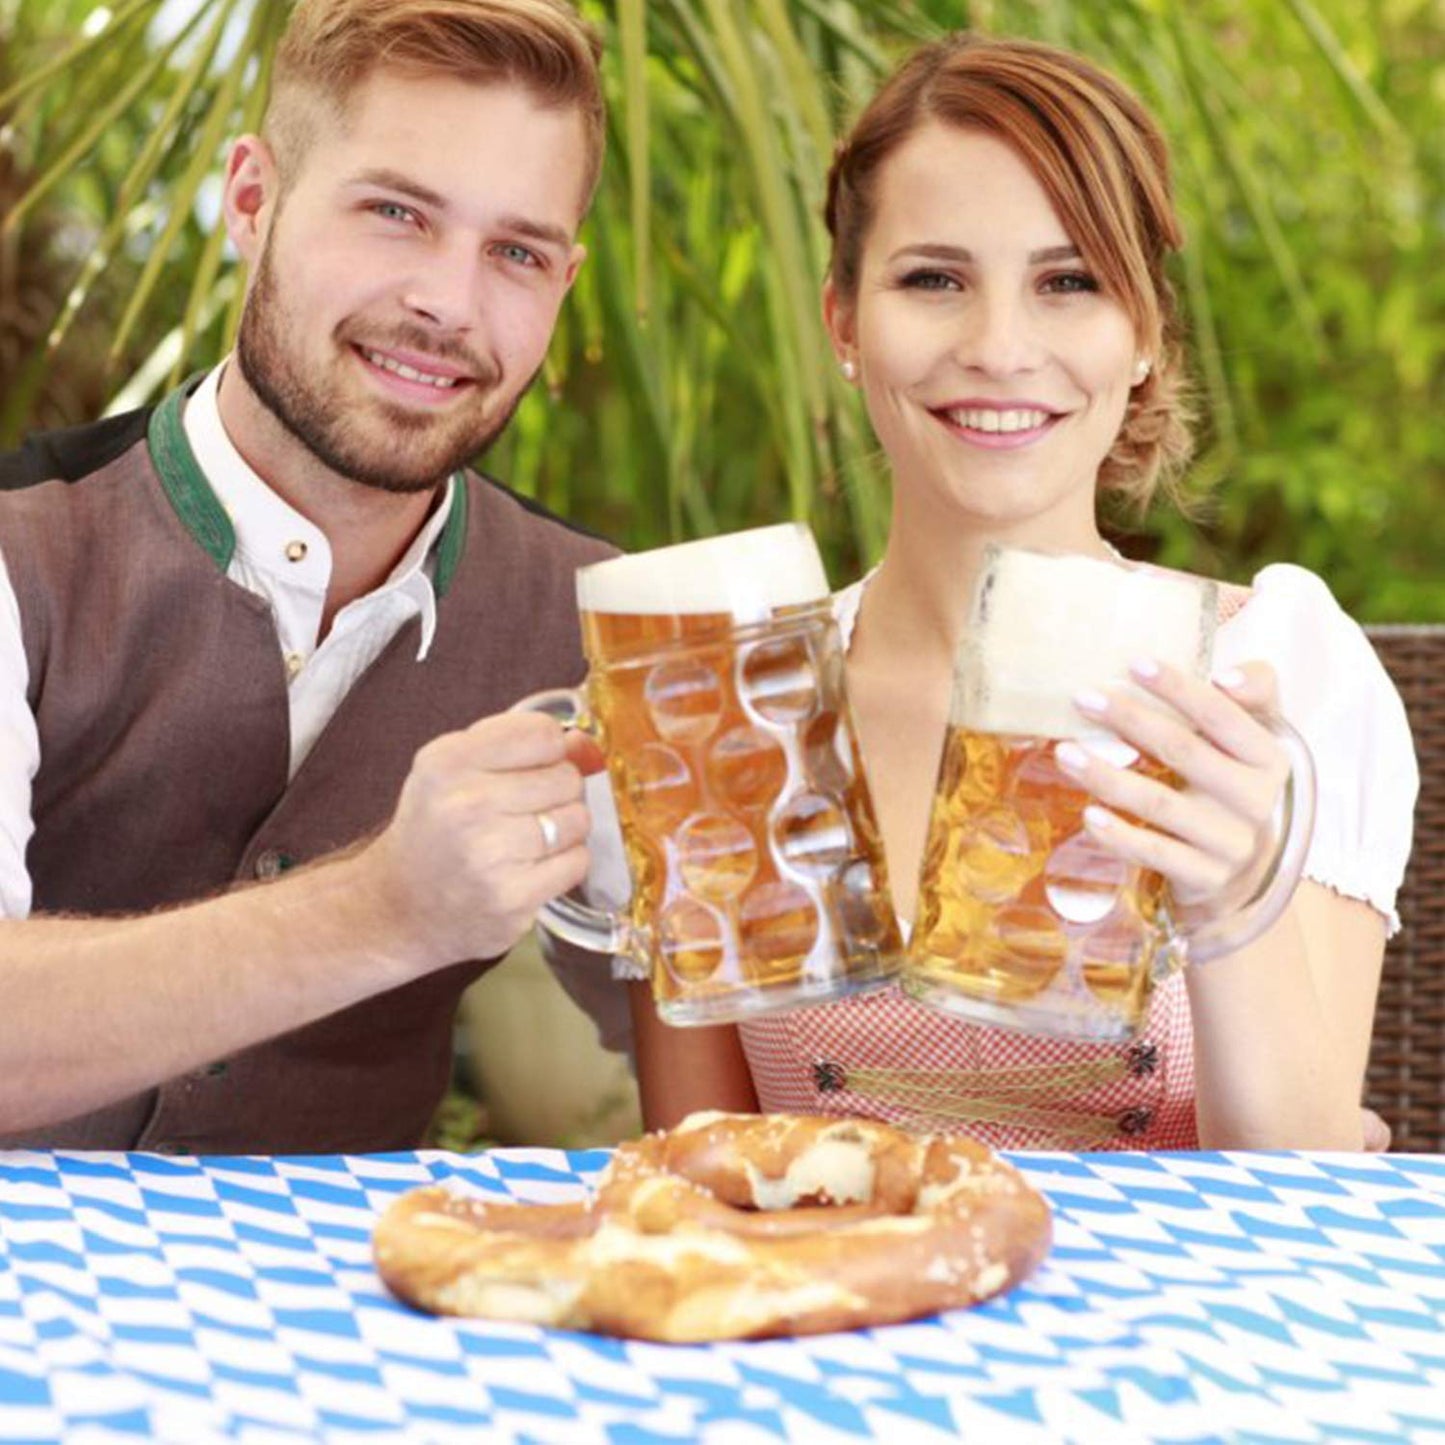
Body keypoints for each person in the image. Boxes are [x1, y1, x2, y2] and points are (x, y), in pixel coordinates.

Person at [625, 34, 1417, 1150]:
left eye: (1068, 282)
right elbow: (701, 1168)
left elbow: (1306, 1191)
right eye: (933, 279)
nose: (998, 346)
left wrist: (1232, 907)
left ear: (1140, 333)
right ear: (843, 323)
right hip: (834, 1319)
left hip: (1180, 1317)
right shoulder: (735, 697)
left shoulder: (1277, 673)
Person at [0, 0, 630, 1153]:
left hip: (361, 1321)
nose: (448, 302)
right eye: (396, 213)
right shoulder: (18, 550)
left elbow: (707, 1033)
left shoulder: (601, 619)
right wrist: (384, 906)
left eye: (517, 252)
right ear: (253, 199)